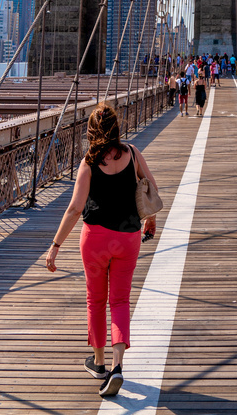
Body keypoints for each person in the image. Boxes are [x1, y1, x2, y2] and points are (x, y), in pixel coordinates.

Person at [45, 103, 157, 398]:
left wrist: (55, 246)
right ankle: (118, 366)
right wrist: (151, 221)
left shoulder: (88, 163)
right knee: (119, 301)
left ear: (92, 131)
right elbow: (151, 188)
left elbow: (74, 208)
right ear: (117, 128)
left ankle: (98, 363)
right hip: (128, 237)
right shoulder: (132, 153)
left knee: (96, 299)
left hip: (94, 239)